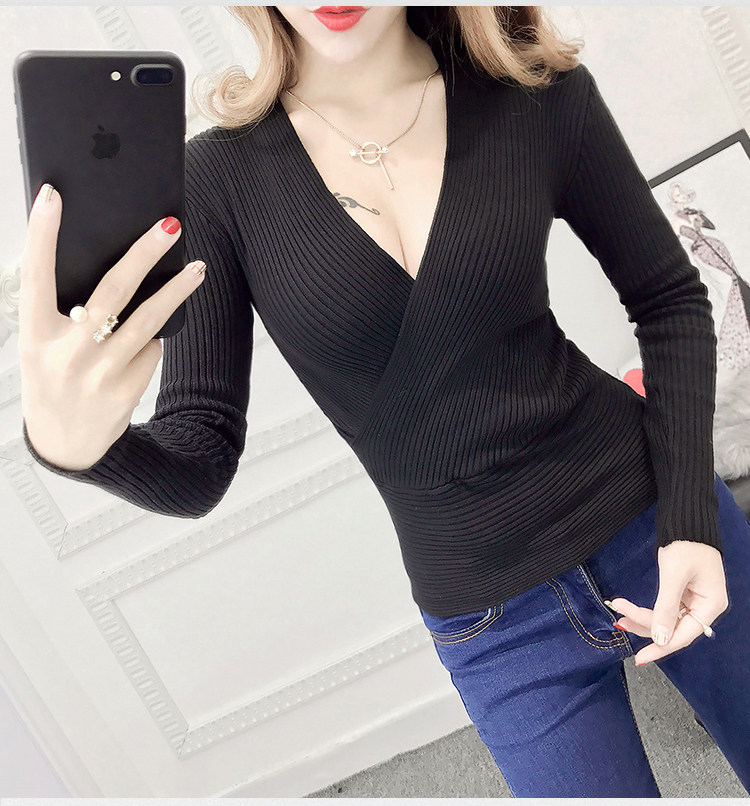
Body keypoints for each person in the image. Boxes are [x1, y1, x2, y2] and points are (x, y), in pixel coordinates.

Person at [17, 5, 750, 797]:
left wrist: (690, 519)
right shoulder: (216, 180)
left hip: (655, 515)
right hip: (491, 618)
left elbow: (669, 299)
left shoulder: (534, 92)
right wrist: (78, 446)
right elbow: (199, 457)